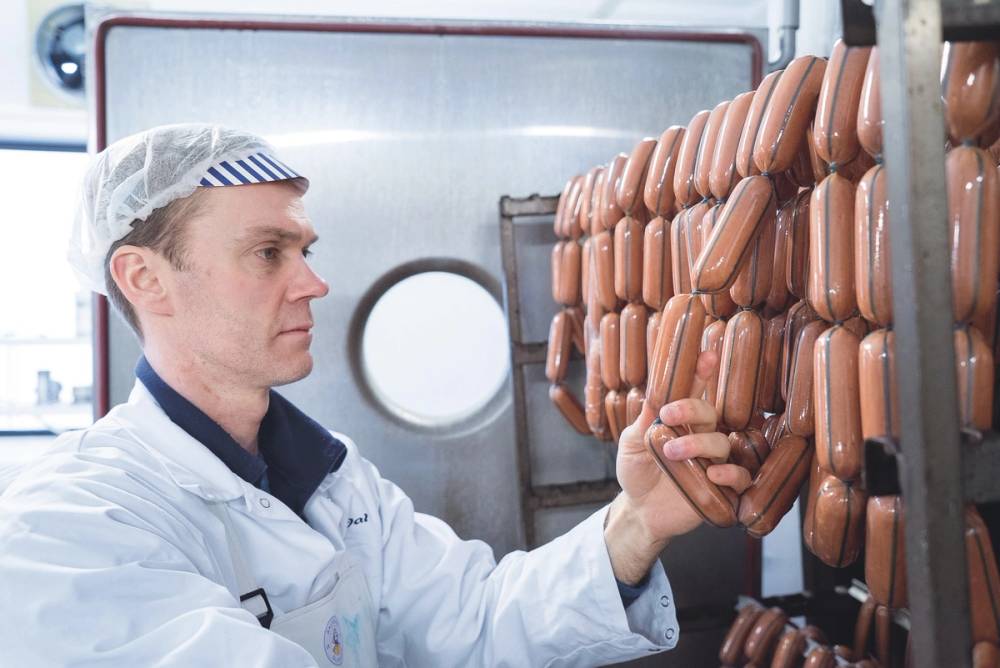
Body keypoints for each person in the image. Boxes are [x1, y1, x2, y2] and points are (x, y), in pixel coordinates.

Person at [0, 124, 751, 667]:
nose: (315, 283)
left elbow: (477, 625)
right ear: (144, 279)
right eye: (269, 253)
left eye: (305, 250)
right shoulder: (65, 529)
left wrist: (636, 521)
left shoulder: (333, 480)